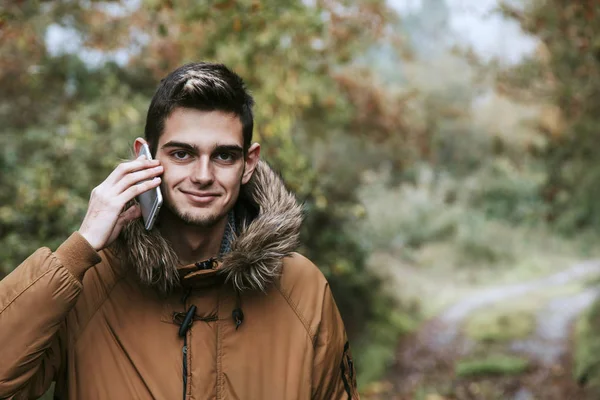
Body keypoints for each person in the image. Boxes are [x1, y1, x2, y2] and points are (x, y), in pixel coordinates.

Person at [0, 62, 359, 399]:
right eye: (182, 154)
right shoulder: (88, 283)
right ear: (146, 156)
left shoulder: (301, 289)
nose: (203, 176)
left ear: (248, 164)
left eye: (224, 156)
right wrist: (78, 249)